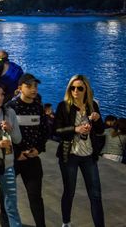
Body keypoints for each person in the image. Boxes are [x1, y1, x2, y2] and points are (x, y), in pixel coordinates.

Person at [54, 74, 105, 227]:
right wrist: (75, 129)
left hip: (89, 155)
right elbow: (56, 130)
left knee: (96, 195)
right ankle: (66, 222)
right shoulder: (63, 106)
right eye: (72, 87)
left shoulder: (92, 106)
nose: (75, 91)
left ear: (86, 90)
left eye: (79, 88)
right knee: (69, 192)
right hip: (69, 155)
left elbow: (101, 130)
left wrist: (97, 119)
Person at [7, 73, 47, 227]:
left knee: (36, 197)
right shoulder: (11, 107)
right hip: (14, 159)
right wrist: (17, 153)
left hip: (32, 157)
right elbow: (5, 134)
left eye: (35, 86)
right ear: (20, 88)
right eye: (29, 86)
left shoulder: (38, 107)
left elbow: (44, 131)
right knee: (6, 195)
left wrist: (38, 149)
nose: (33, 89)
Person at [0, 81, 22, 227]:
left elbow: (18, 139)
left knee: (11, 205)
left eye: (2, 94)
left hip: (7, 164)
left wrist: (11, 128)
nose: (1, 98)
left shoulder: (9, 113)